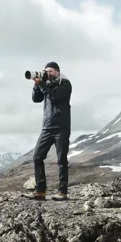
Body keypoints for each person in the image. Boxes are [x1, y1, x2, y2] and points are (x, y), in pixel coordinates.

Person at [25, 61, 72, 201]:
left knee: (61, 160)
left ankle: (62, 192)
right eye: (46, 71)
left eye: (50, 71)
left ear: (57, 71)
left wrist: (42, 84)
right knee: (37, 157)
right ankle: (40, 191)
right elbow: (36, 99)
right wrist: (36, 84)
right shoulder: (47, 84)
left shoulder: (65, 84)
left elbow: (53, 96)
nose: (48, 74)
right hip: (47, 127)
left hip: (61, 128)